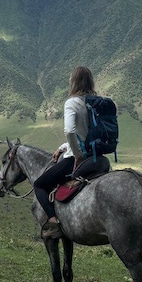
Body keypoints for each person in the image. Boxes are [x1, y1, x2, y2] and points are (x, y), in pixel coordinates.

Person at [34, 66, 96, 239]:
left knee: (39, 185)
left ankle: (54, 223)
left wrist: (77, 155)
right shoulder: (98, 102)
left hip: (77, 160)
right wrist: (63, 147)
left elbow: (70, 131)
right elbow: (86, 134)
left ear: (74, 82)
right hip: (97, 158)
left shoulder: (73, 102)